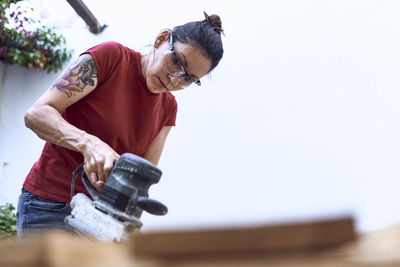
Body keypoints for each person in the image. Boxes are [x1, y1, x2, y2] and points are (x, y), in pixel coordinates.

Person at [16, 11, 224, 237]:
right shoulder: (111, 58)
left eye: (188, 79)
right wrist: (89, 144)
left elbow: (140, 176)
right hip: (48, 206)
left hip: (100, 223)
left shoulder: (168, 108)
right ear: (162, 39)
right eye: (176, 61)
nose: (174, 79)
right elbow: (37, 114)